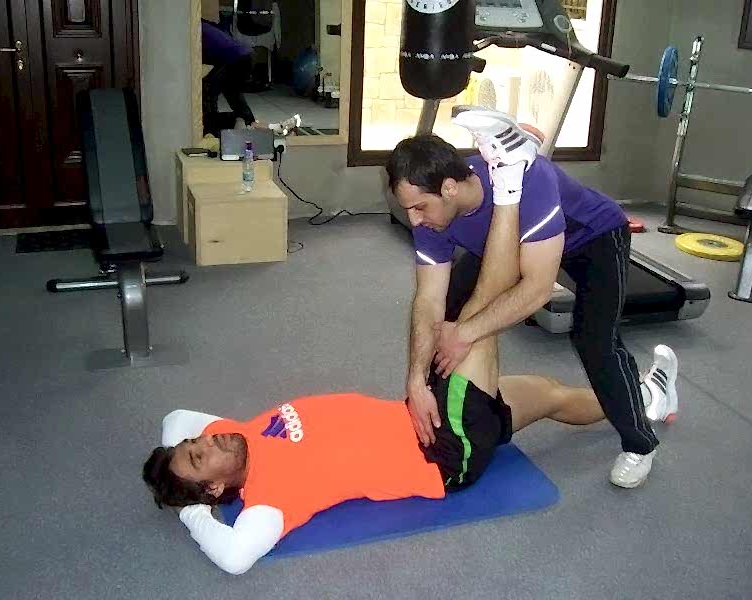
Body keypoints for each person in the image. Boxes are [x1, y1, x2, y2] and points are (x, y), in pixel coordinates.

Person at [142, 174, 679, 574]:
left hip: (422, 413)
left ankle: (649, 398)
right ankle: (511, 184)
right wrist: (193, 512)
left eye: (196, 442)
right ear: (216, 488)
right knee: (479, 313)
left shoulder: (238, 433)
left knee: (556, 396)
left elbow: (174, 419)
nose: (205, 439)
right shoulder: (269, 497)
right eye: (199, 457)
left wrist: (183, 464)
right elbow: (235, 558)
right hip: (444, 450)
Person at [386, 106, 679, 490]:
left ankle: (640, 442)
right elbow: (428, 301)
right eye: (407, 209)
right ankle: (444, 405)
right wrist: (415, 381)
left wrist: (467, 333)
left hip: (592, 237)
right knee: (452, 306)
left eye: (420, 207)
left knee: (594, 339)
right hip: (511, 238)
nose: (414, 220)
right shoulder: (430, 219)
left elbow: (536, 288)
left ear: (450, 188)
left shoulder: (529, 179)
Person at [202, 19, 257, 136]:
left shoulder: (194, 31)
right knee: (233, 94)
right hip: (244, 55)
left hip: (236, 58)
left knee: (208, 90)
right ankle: (249, 124)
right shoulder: (204, 25)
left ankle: (211, 131)